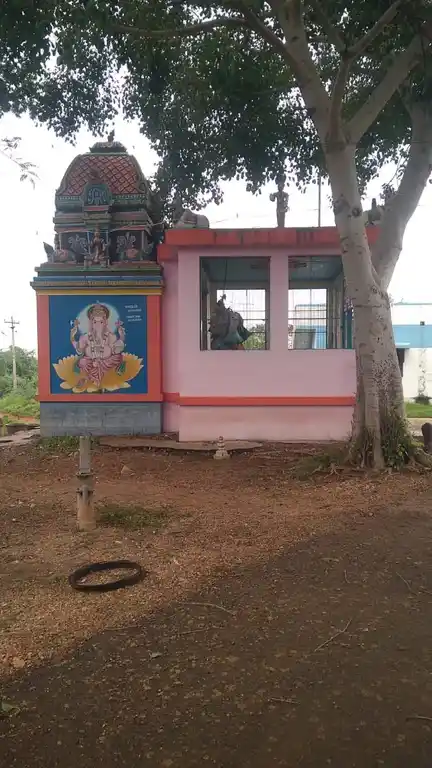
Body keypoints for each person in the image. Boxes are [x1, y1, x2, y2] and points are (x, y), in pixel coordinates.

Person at [70, 304, 125, 389]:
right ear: (91, 323)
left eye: (101, 322)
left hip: (105, 362)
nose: (98, 325)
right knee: (82, 362)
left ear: (105, 322)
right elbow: (80, 350)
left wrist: (121, 336)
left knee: (118, 357)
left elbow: (116, 350)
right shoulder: (85, 337)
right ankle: (92, 378)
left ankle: (88, 378)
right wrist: (72, 337)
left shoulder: (111, 336)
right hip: (90, 362)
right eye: (95, 322)